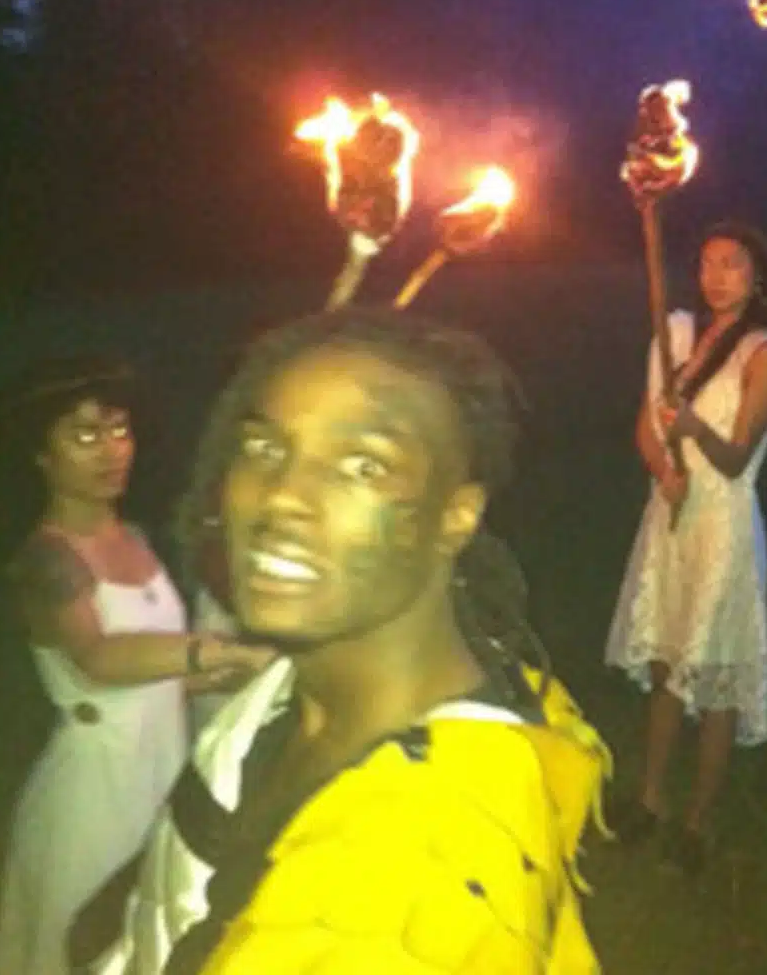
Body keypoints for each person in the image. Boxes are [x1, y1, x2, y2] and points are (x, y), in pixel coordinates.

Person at [92, 308, 612, 974]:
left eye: (365, 466)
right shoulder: (296, 690)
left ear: (456, 517)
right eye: (264, 449)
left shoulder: (417, 879)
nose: (281, 498)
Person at [0, 356, 273, 975]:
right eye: (84, 434)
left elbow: (150, 679)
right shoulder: (47, 558)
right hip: (94, 793)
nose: (110, 449)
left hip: (164, 774)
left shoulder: (138, 540)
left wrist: (217, 678)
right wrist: (215, 651)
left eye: (119, 429)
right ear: (41, 455)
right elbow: (97, 659)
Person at [604, 221, 767, 873]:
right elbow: (645, 425)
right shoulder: (680, 337)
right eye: (708, 264)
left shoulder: (763, 353)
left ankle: (697, 821)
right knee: (666, 662)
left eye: (732, 264)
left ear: (756, 274)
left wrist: (693, 433)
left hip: (723, 526)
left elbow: (736, 457)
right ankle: (651, 799)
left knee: (712, 676)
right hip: (673, 515)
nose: (716, 277)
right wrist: (665, 469)